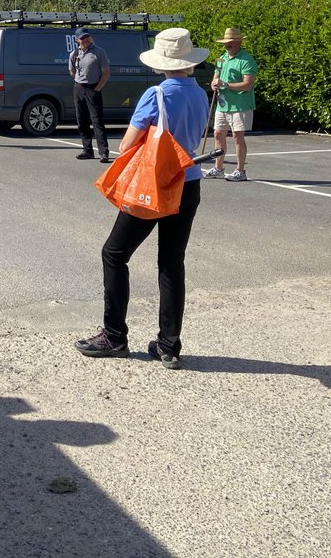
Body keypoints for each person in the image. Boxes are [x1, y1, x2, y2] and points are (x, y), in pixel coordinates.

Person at [74, 28, 210, 370]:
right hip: (188, 181)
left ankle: (114, 335)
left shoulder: (157, 94)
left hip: (155, 183)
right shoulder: (200, 93)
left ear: (161, 62)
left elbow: (127, 145)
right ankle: (168, 344)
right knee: (171, 261)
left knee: (114, 254)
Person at [203, 28, 258, 182]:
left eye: (230, 43)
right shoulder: (221, 59)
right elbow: (215, 78)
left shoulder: (246, 60)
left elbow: (248, 84)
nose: (227, 46)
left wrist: (225, 84)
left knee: (237, 136)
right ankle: (218, 168)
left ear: (239, 43)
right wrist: (214, 84)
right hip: (223, 104)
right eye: (226, 44)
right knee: (218, 134)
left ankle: (240, 171)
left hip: (240, 105)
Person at [69, 28, 111, 162]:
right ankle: (87, 150)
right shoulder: (74, 53)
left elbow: (106, 72)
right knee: (81, 120)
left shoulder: (99, 52)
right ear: (77, 40)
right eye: (82, 38)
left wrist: (97, 88)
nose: (85, 40)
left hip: (93, 88)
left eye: (87, 37)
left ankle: (104, 152)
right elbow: (72, 70)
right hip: (79, 88)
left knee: (97, 121)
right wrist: (79, 82)